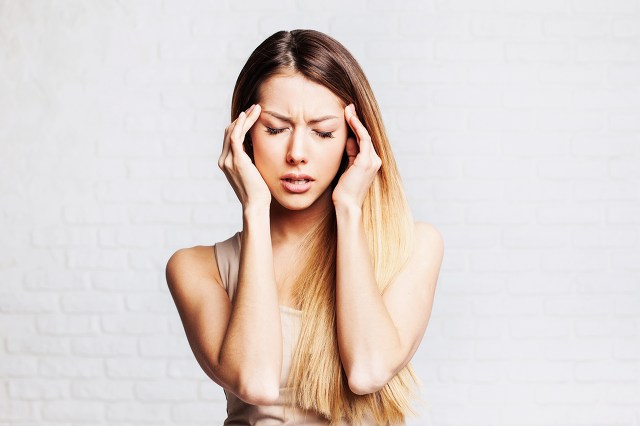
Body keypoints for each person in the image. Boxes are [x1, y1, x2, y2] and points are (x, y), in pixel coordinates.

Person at [165, 29, 444, 425]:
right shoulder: (196, 268)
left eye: (323, 132)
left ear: (354, 139)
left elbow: (368, 370)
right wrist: (255, 210)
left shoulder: (412, 247)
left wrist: (349, 209)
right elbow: (256, 381)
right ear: (244, 137)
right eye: (275, 129)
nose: (297, 153)